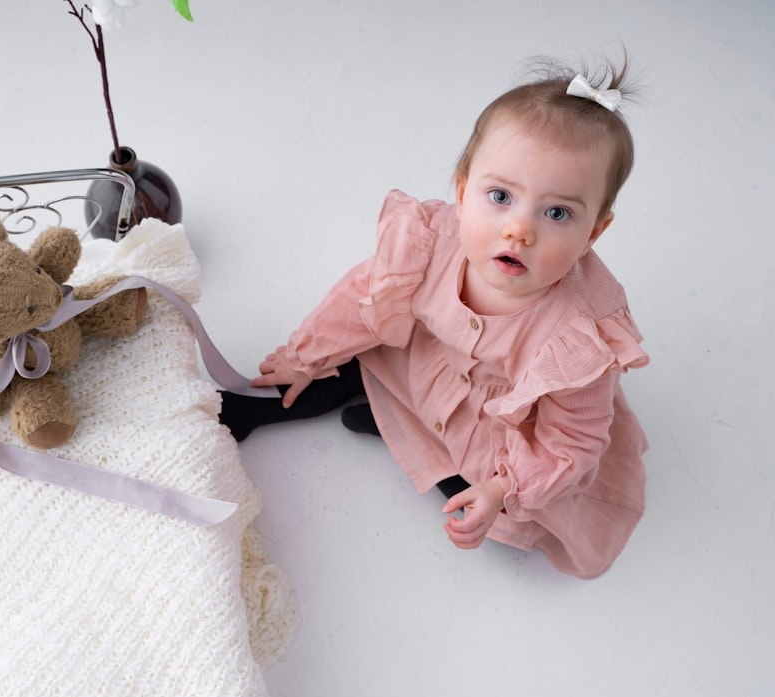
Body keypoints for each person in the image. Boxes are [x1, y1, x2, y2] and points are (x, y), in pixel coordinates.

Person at [219, 57, 649, 579]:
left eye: (557, 213)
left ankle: (409, 435)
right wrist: (305, 355)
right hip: (423, 361)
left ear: (593, 233)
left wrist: (501, 488)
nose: (519, 230)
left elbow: (573, 441)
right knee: (355, 350)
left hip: (497, 430)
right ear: (463, 193)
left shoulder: (578, 340)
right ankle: (260, 407)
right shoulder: (434, 243)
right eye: (500, 197)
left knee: (473, 501)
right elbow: (361, 296)